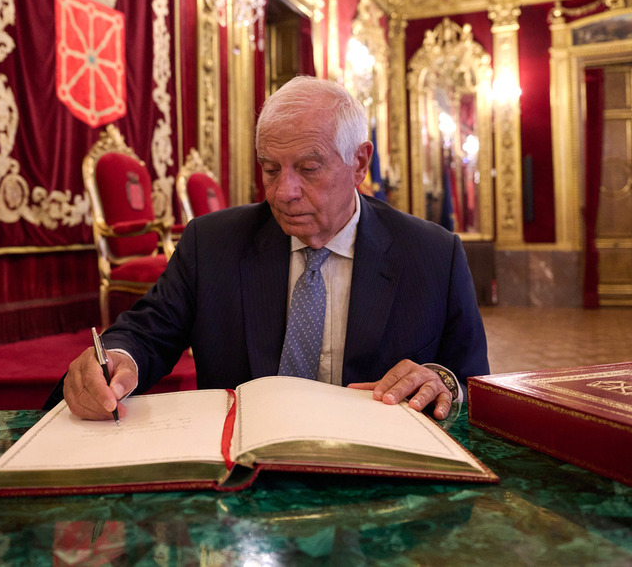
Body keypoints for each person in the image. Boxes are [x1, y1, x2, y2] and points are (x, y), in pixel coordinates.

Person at [63, 75, 488, 422]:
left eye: (308, 168)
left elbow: (472, 384)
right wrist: (117, 361)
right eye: (270, 169)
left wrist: (441, 383)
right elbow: (145, 332)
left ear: (359, 163)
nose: (284, 192)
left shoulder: (434, 255)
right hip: (242, 481)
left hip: (379, 489)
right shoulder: (212, 244)